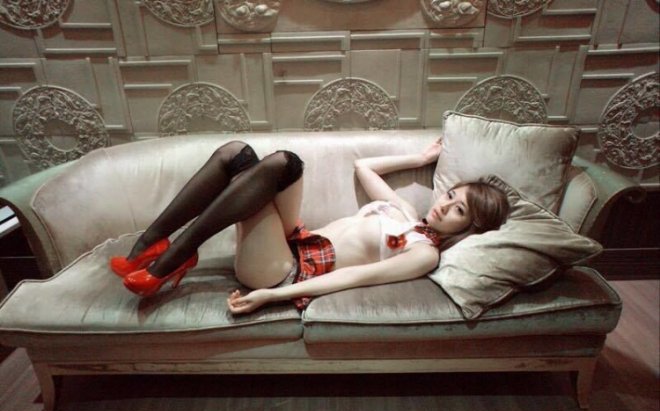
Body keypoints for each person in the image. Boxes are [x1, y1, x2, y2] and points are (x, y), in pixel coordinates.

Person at [109, 139, 509, 314]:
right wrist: (420, 158)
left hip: (282, 270)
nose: (444, 206)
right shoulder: (403, 209)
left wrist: (272, 296)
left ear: (468, 228)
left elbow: (352, 279)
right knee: (237, 155)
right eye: (450, 195)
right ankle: (150, 245)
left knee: (283, 162)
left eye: (458, 210)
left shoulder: (423, 254)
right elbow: (364, 167)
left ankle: (173, 258)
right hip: (289, 239)